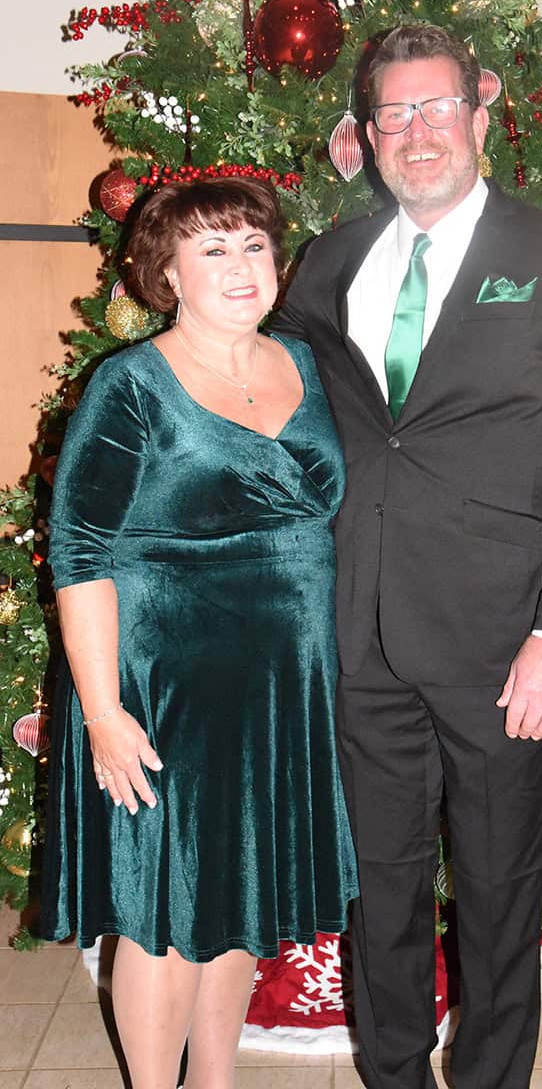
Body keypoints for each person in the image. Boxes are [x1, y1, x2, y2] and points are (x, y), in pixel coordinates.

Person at [273, 24, 542, 1089]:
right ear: (367, 134)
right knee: (377, 890)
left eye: (437, 109)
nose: (417, 133)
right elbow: (283, 416)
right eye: (395, 114)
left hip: (500, 644)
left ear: (479, 117)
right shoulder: (328, 262)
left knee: (496, 888)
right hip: (358, 635)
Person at [41, 176, 358, 1089]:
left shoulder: (305, 361)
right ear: (165, 271)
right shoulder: (130, 383)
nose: (238, 266)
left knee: (241, 896)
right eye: (211, 249)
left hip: (283, 678)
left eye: (253, 245)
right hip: (163, 679)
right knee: (163, 906)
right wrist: (101, 712)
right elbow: (80, 549)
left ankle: (214, 1081)